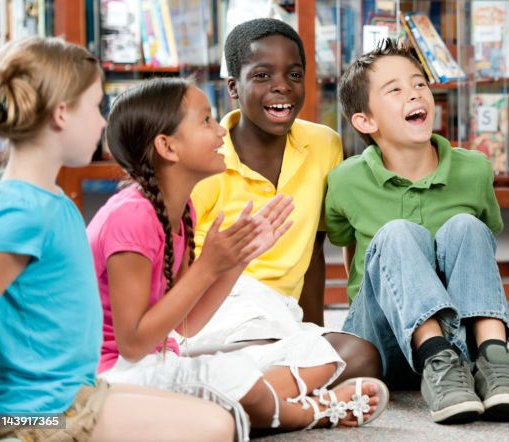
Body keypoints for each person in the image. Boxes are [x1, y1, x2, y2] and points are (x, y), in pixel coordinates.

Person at [88, 77, 389, 433]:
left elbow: (186, 325)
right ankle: (313, 412)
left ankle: (260, 409)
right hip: (116, 375)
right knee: (235, 386)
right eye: (205, 121)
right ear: (167, 146)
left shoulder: (180, 212)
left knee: (296, 359)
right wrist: (208, 266)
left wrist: (236, 259)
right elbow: (135, 344)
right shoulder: (132, 216)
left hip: (164, 358)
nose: (220, 132)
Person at [0, 37, 234, 442]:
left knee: (213, 410)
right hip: (40, 415)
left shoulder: (42, 198)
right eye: (96, 107)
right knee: (214, 427)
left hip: (73, 394)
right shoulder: (22, 210)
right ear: (61, 114)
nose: (104, 123)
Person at [325, 39, 509, 425]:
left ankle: (495, 360)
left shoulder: (474, 169)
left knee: (467, 227)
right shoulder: (345, 179)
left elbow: (479, 253)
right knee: (397, 234)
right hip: (382, 339)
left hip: (462, 340)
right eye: (395, 90)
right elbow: (350, 249)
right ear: (365, 121)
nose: (414, 93)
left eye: (419, 83)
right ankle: (433, 354)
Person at [189, 18, 381, 378]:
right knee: (262, 351)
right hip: (217, 311)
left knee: (363, 358)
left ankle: (240, 387)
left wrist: (314, 334)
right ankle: (257, 387)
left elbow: (313, 252)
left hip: (282, 318)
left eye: (293, 75)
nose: (281, 87)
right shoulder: (205, 158)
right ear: (233, 86)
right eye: (262, 76)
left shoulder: (324, 144)